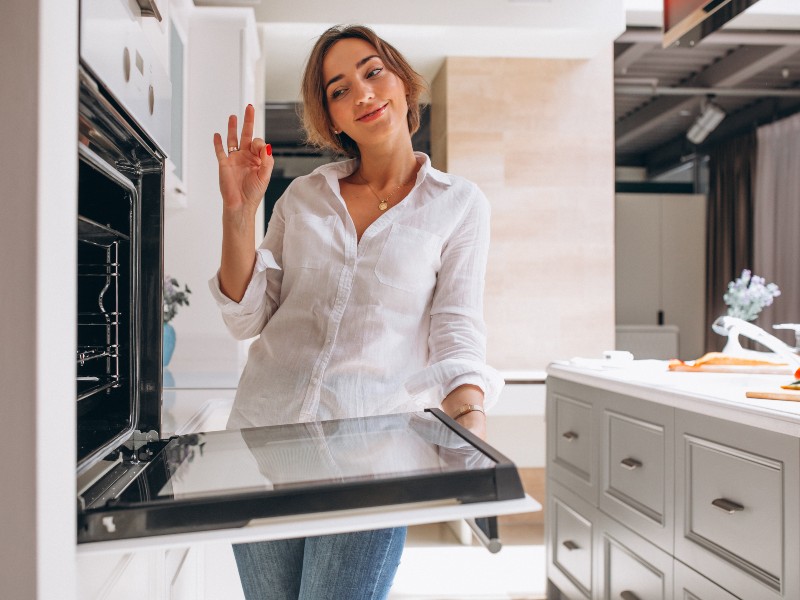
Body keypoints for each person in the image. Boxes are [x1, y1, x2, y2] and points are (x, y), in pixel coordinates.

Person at [209, 24, 502, 600]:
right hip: (263, 444)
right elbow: (247, 317)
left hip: (372, 460)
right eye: (340, 90)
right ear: (333, 119)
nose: (363, 94)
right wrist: (238, 213)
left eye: (373, 72)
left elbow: (456, 325)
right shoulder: (303, 197)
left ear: (403, 82)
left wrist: (469, 414)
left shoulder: (458, 204)